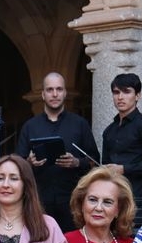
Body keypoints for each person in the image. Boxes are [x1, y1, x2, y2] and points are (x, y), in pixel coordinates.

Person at [14, 72, 100, 234]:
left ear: (65, 93)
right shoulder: (30, 126)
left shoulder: (79, 124)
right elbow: (17, 164)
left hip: (72, 199)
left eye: (59, 89)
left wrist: (77, 162)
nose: (55, 94)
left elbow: (95, 160)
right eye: (50, 90)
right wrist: (29, 162)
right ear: (43, 94)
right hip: (39, 200)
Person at [101, 73, 142, 224]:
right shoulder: (109, 130)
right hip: (112, 197)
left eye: (126, 91)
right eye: (116, 92)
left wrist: (124, 169)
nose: (120, 97)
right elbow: (105, 162)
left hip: (138, 198)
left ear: (137, 96)